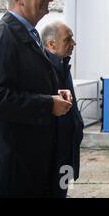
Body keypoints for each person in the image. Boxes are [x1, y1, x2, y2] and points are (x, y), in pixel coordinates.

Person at [0, 0, 73, 197]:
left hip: (34, 162)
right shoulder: (2, 35)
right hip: (15, 169)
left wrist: (55, 94)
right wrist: (48, 104)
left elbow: (23, 85)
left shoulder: (30, 35)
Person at [41, 21, 84, 198]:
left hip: (67, 150)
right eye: (68, 39)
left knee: (63, 190)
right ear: (51, 45)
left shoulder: (62, 65)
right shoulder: (42, 69)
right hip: (53, 154)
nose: (74, 43)